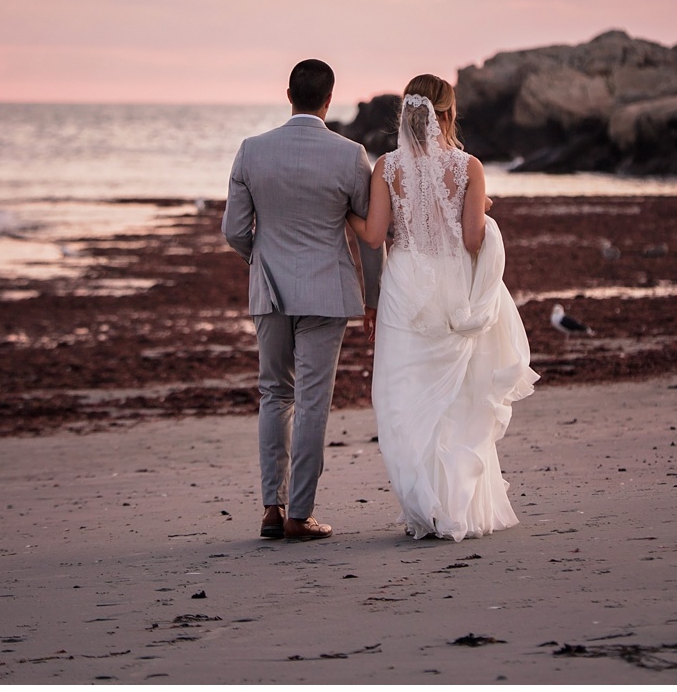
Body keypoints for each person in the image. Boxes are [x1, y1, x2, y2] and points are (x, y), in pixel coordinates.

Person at [347, 74, 538, 541]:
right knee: (459, 398)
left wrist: (340, 212)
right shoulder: (469, 166)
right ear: (448, 115)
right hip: (454, 286)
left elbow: (373, 237)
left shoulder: (387, 168)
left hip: (406, 285)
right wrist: (483, 209)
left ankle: (426, 506)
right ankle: (458, 504)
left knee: (404, 396)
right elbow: (473, 238)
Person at [222, 59, 384, 541]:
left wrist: (262, 258)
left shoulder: (252, 151)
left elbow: (234, 231)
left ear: (288, 93)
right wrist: (373, 298)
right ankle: (301, 514)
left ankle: (272, 508)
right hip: (327, 293)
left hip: (269, 289)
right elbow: (370, 236)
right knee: (313, 402)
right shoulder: (351, 155)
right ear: (330, 99)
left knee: (274, 393)